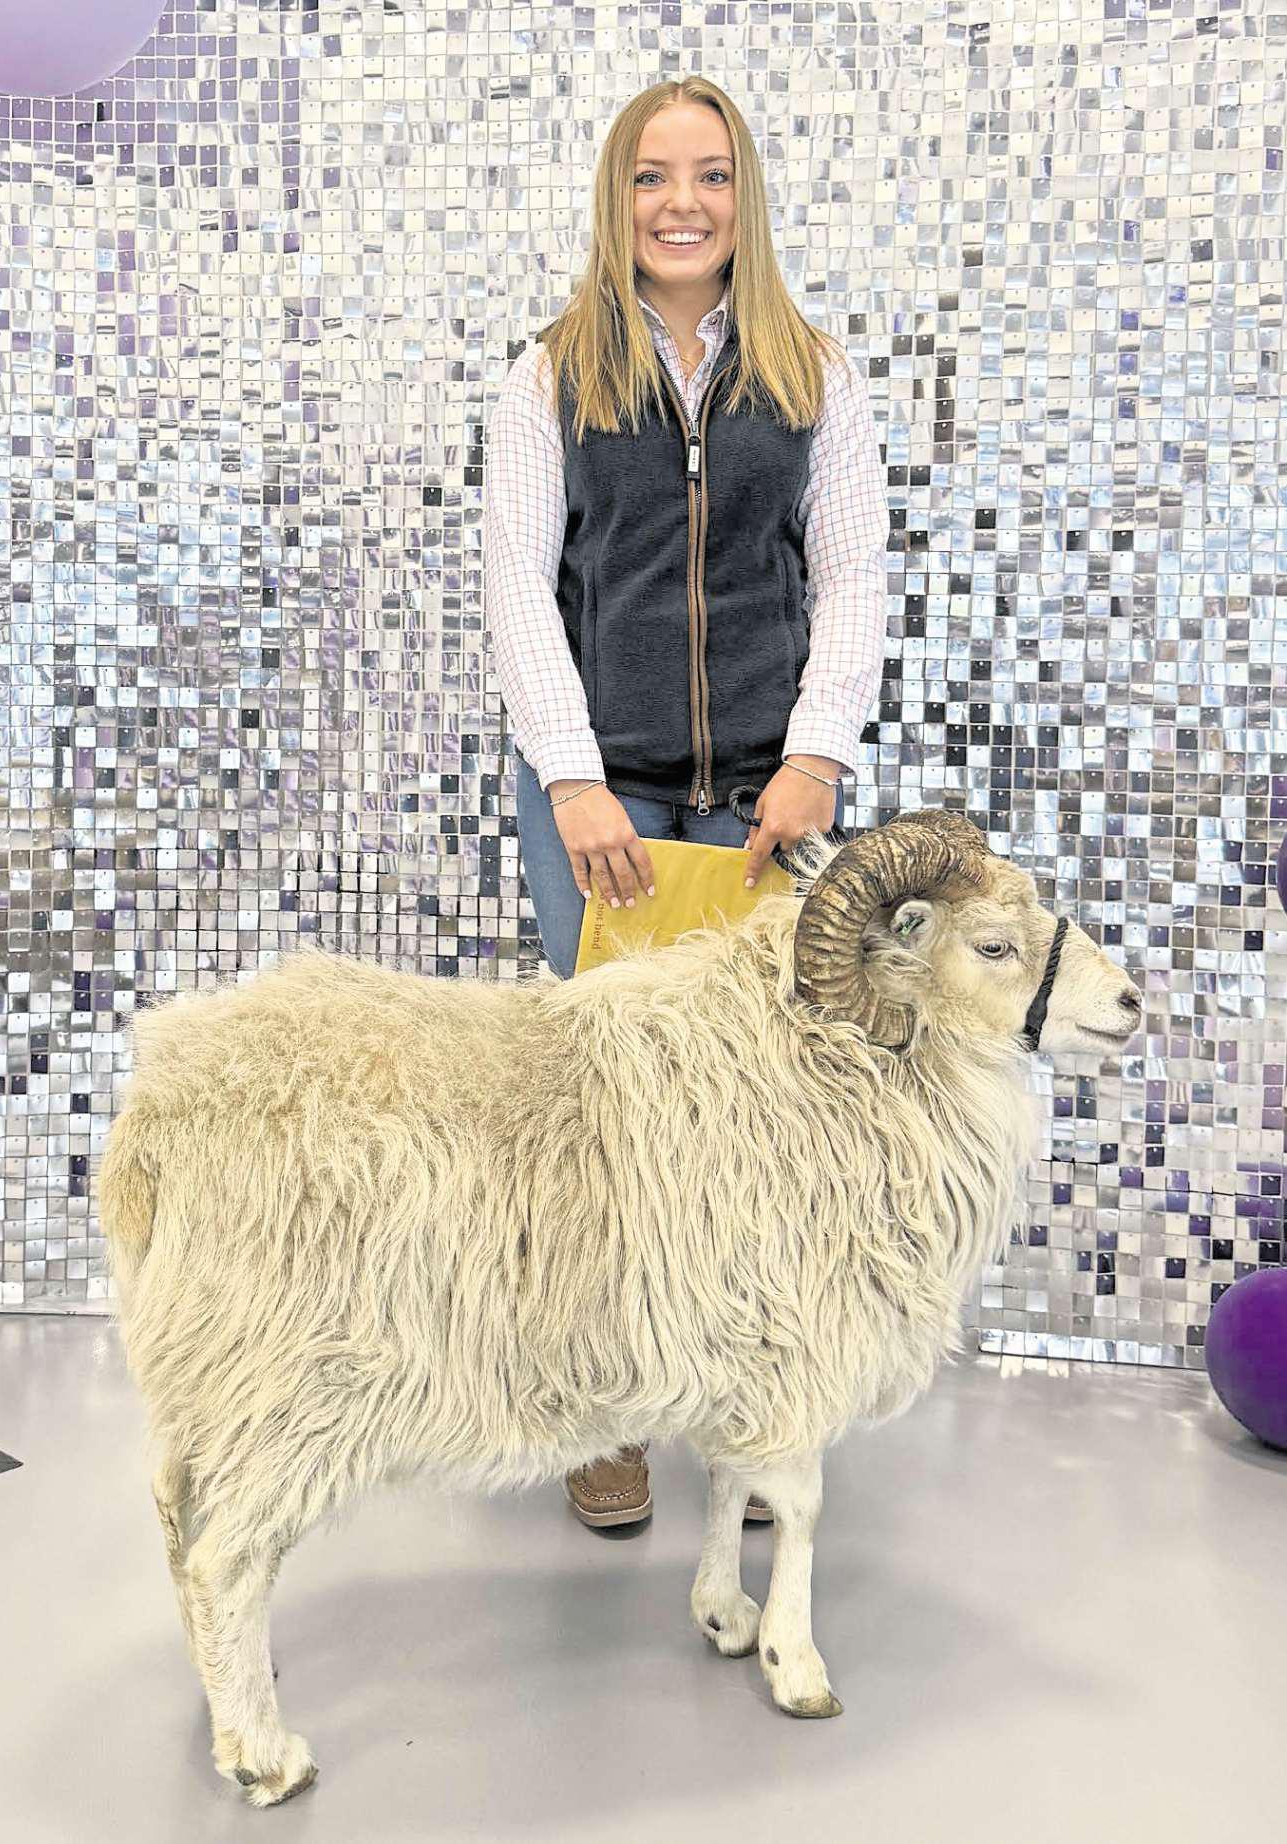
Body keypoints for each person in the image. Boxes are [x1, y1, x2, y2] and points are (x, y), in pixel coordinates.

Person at [485, 77, 889, 1529]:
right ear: (616, 195)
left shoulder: (812, 372)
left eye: (710, 176)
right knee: (606, 1118)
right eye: (653, 176)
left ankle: (749, 1408)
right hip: (601, 802)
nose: (680, 203)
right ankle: (603, 1414)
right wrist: (576, 781)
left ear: (744, 198)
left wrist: (817, 755)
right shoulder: (549, 376)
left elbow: (847, 576)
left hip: (770, 804)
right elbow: (519, 594)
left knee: (763, 1116)